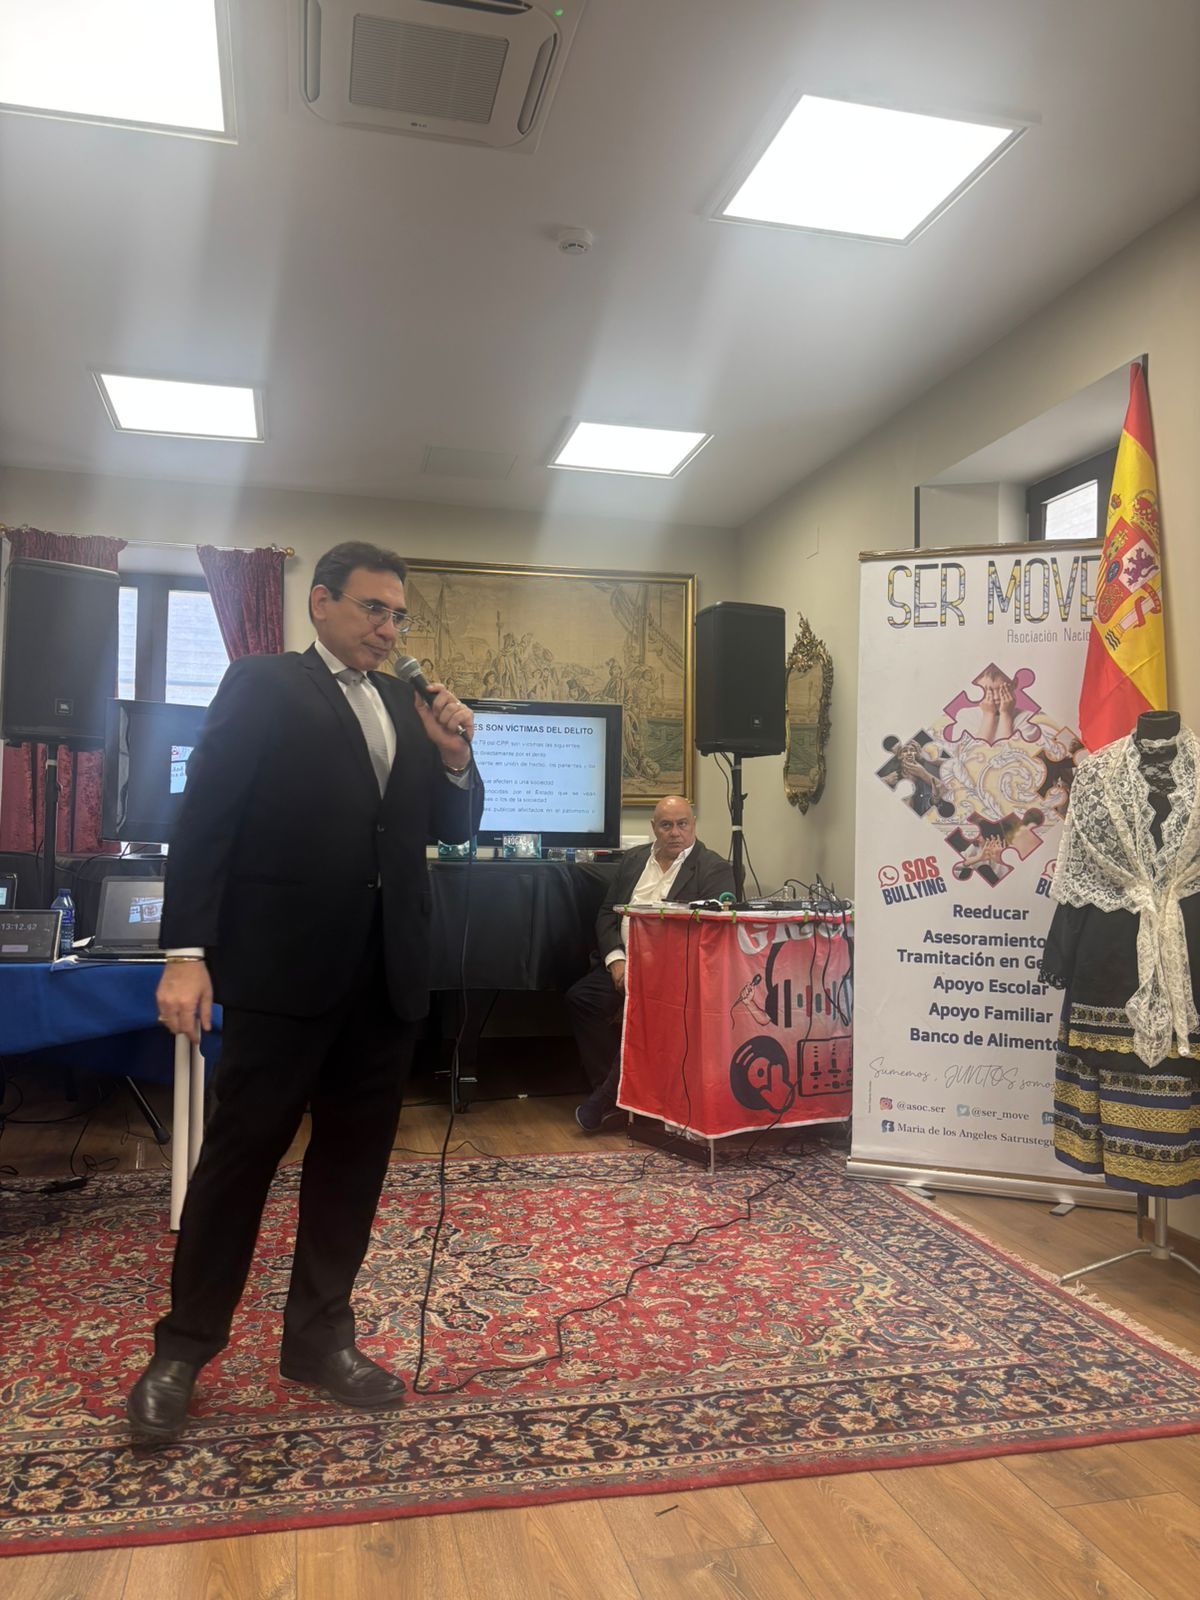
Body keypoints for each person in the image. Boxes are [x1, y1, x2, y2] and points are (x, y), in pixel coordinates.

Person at [126, 541, 483, 1444]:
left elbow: (449, 826)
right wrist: (186, 951)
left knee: (351, 1168)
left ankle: (320, 1340)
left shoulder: (406, 707)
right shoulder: (263, 684)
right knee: (239, 1160)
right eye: (373, 608)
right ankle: (183, 1349)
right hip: (283, 973)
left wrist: (453, 757)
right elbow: (205, 818)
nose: (388, 629)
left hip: (385, 977)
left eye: (398, 615)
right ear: (321, 602)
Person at [566, 796, 734, 1131]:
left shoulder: (714, 869)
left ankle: (606, 1100)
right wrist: (616, 960)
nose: (675, 833)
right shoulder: (634, 859)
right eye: (666, 825)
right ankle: (619, 1096)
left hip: (673, 973)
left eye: (682, 824)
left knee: (645, 1009)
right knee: (582, 998)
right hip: (625, 962)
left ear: (694, 825)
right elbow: (607, 913)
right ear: (654, 827)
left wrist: (652, 972)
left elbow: (712, 934)